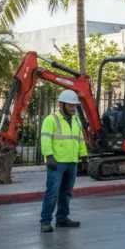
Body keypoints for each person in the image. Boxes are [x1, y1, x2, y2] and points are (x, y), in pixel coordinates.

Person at [39, 90, 88, 232]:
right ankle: (46, 221)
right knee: (52, 192)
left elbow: (79, 140)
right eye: (70, 105)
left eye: (74, 106)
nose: (73, 108)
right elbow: (45, 139)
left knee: (66, 192)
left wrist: (83, 156)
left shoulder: (76, 120)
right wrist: (49, 156)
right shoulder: (51, 119)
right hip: (57, 162)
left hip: (72, 162)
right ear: (61, 104)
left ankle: (62, 218)